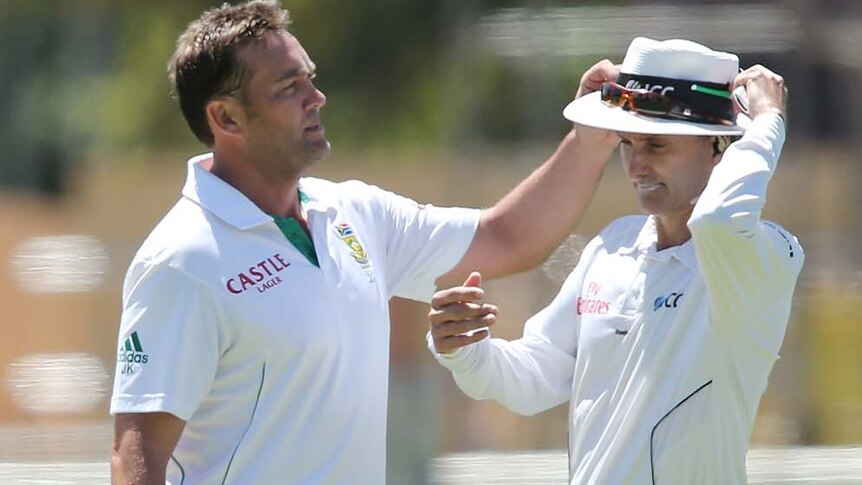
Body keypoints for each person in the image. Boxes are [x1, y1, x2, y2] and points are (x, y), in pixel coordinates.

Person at [109, 1, 621, 484]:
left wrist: (589, 137)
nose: (316, 97)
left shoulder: (356, 213)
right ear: (226, 118)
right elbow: (138, 455)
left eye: (310, 78)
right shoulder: (181, 259)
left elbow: (507, 238)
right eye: (289, 87)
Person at [429, 37, 804, 485]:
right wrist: (466, 350)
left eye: (656, 145)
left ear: (718, 146)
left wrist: (767, 123)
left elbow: (719, 220)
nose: (635, 166)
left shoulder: (764, 255)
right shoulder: (612, 246)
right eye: (627, 143)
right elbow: (533, 378)